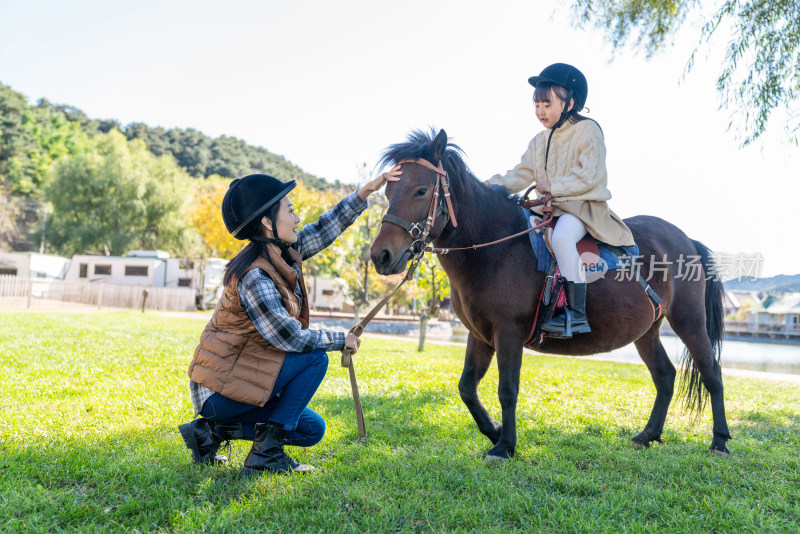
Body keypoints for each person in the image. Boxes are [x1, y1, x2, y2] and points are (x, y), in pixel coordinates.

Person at [179, 168, 399, 475]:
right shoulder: (255, 275)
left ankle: (210, 434)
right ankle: (265, 455)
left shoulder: (280, 253)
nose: (296, 219)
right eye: (291, 211)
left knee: (311, 430)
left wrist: (365, 193)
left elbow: (323, 230)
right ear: (268, 222)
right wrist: (340, 339)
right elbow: (290, 338)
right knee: (314, 359)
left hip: (241, 382)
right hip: (219, 394)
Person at [486, 63, 635, 338]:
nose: (540, 111)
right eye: (536, 105)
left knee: (562, 238)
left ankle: (577, 314)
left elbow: (588, 176)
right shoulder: (538, 141)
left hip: (582, 208)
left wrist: (553, 186)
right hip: (549, 209)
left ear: (570, 103)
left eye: (547, 104)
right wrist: (485, 188)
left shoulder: (589, 130)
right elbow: (518, 175)